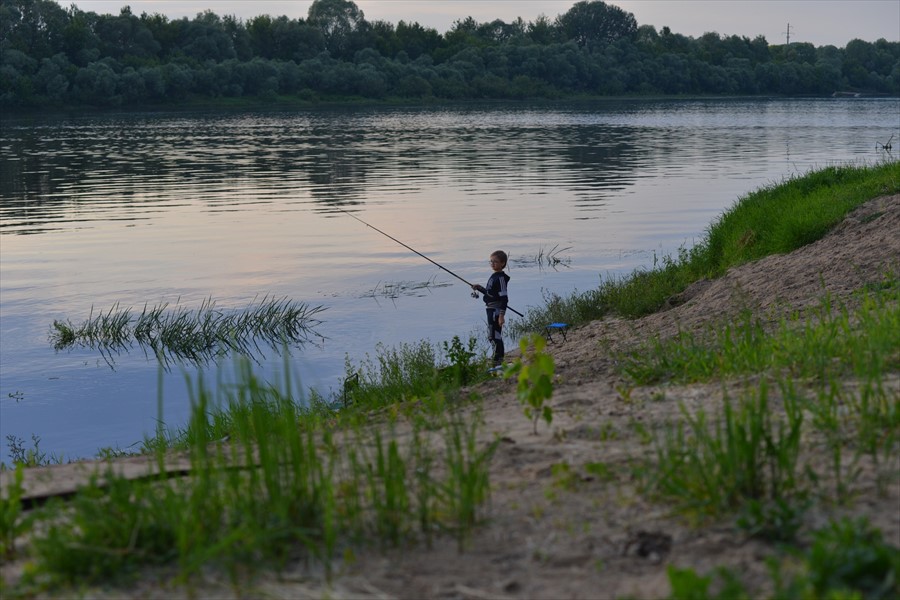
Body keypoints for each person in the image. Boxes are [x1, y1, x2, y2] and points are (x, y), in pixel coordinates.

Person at [472, 250, 510, 367]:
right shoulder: (494, 276)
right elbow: (491, 294)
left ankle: (498, 359)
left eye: (495, 262)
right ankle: (497, 357)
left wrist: (501, 316)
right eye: (491, 261)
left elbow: (504, 298)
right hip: (490, 310)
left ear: (503, 263)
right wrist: (480, 288)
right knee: (491, 335)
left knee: (495, 336)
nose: (492, 264)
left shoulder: (501, 278)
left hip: (496, 311)